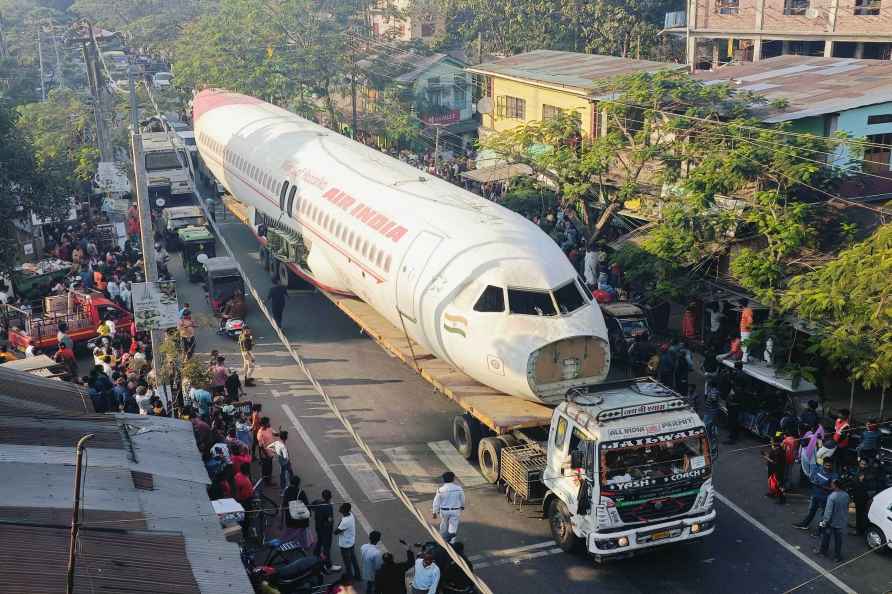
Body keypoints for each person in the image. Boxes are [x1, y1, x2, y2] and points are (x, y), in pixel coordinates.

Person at [794, 458, 838, 532]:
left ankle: (820, 530)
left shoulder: (834, 475)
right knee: (811, 511)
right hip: (815, 495)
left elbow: (833, 488)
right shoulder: (818, 470)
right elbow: (812, 478)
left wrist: (821, 486)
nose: (828, 467)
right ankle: (805, 524)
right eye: (826, 465)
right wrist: (813, 481)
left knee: (824, 516)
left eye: (830, 466)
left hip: (825, 499)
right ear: (823, 464)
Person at [816, 480, 849, 562]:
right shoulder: (846, 495)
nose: (831, 486)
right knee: (838, 540)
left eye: (832, 485)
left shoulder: (832, 497)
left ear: (836, 486)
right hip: (841, 521)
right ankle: (837, 556)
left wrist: (824, 522)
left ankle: (823, 551)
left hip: (831, 522)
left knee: (826, 537)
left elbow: (828, 512)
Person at [432, 471, 465, 544]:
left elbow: (436, 502)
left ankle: (441, 540)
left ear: (443, 479)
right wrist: (462, 506)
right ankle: (451, 542)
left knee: (443, 523)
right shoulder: (459, 488)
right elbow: (462, 499)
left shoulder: (440, 490)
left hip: (444, 511)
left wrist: (434, 512)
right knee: (453, 526)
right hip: (455, 511)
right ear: (453, 479)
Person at [313, 489, 341, 572]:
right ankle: (328, 565)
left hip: (318, 527)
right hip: (326, 530)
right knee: (326, 547)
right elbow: (330, 520)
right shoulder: (328, 507)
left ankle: (316, 554)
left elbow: (311, 506)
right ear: (330, 497)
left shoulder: (317, 502)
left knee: (319, 541)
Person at [335, 502, 361, 579]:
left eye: (341, 507)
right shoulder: (351, 515)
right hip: (351, 542)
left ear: (344, 510)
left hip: (345, 545)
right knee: (353, 559)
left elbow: (336, 532)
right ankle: (358, 575)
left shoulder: (345, 521)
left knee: (347, 562)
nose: (340, 508)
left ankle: (349, 577)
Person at [762, 438, 786, 503]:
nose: (771, 442)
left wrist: (765, 456)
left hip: (777, 471)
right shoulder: (776, 450)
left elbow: (774, 462)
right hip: (773, 470)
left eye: (772, 441)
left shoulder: (779, 452)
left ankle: (782, 499)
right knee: (771, 482)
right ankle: (772, 493)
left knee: (778, 485)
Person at [256, 417, 276, 484]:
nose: (269, 423)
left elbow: (274, 433)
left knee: (270, 467)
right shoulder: (260, 433)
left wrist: (280, 433)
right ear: (264, 424)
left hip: (271, 452)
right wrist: (267, 455)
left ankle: (268, 479)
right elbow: (261, 446)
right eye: (268, 422)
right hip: (265, 454)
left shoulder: (269, 428)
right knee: (266, 468)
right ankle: (267, 481)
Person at [739, 298, 754, 363]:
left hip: (746, 331)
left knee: (745, 344)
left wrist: (748, 326)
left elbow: (750, 319)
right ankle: (745, 358)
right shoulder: (745, 310)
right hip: (744, 330)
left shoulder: (747, 310)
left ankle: (744, 360)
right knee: (744, 344)